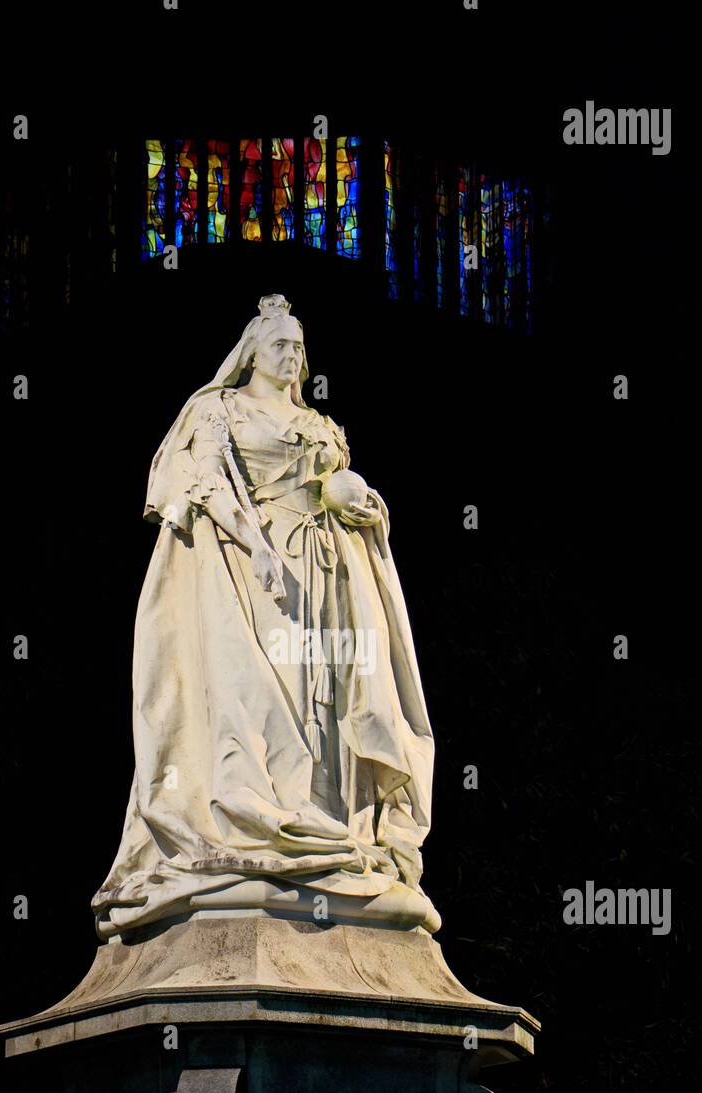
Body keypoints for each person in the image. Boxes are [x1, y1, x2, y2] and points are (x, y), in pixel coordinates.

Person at [91, 293, 441, 939]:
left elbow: (341, 486)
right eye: (281, 345)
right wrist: (254, 546)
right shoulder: (217, 409)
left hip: (329, 572)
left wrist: (366, 506)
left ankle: (329, 823)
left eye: (300, 348)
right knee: (249, 695)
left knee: (330, 703)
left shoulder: (318, 424)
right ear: (253, 351)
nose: (293, 356)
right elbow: (200, 484)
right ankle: (260, 824)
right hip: (249, 570)